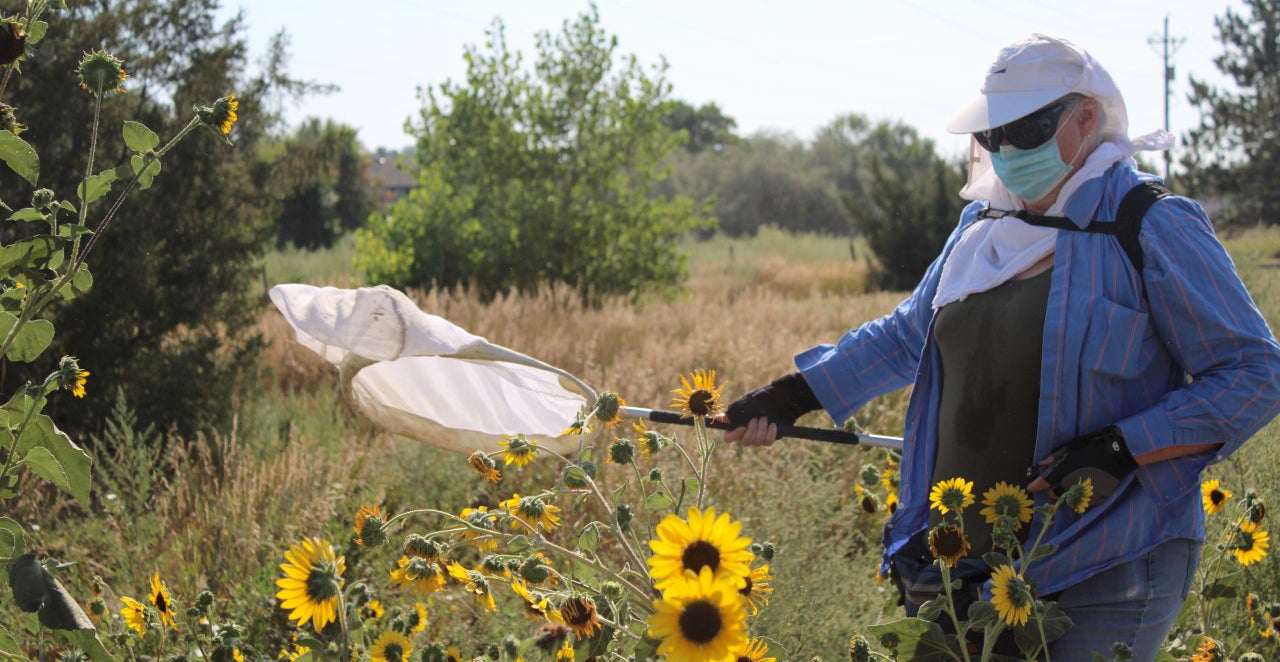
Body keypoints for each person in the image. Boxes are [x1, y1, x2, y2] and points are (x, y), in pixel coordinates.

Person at [724, 33, 1280, 661]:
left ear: (1086, 118)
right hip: (963, 564)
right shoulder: (982, 224)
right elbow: (909, 334)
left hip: (1110, 557)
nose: (1006, 150)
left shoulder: (1150, 222)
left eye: (1026, 130)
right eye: (994, 135)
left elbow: (1254, 372)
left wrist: (1124, 447)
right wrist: (791, 394)